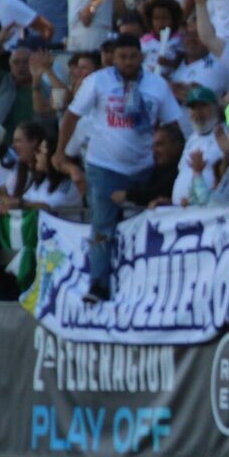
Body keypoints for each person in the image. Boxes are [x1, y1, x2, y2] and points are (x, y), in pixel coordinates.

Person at [54, 34, 181, 303]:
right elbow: (72, 116)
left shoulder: (157, 85)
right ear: (113, 58)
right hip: (104, 166)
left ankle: (144, 283)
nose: (128, 62)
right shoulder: (97, 81)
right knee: (102, 225)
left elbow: (173, 125)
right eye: (122, 57)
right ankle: (99, 285)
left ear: (141, 57)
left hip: (144, 166)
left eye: (133, 56)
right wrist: (60, 152)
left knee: (145, 222)